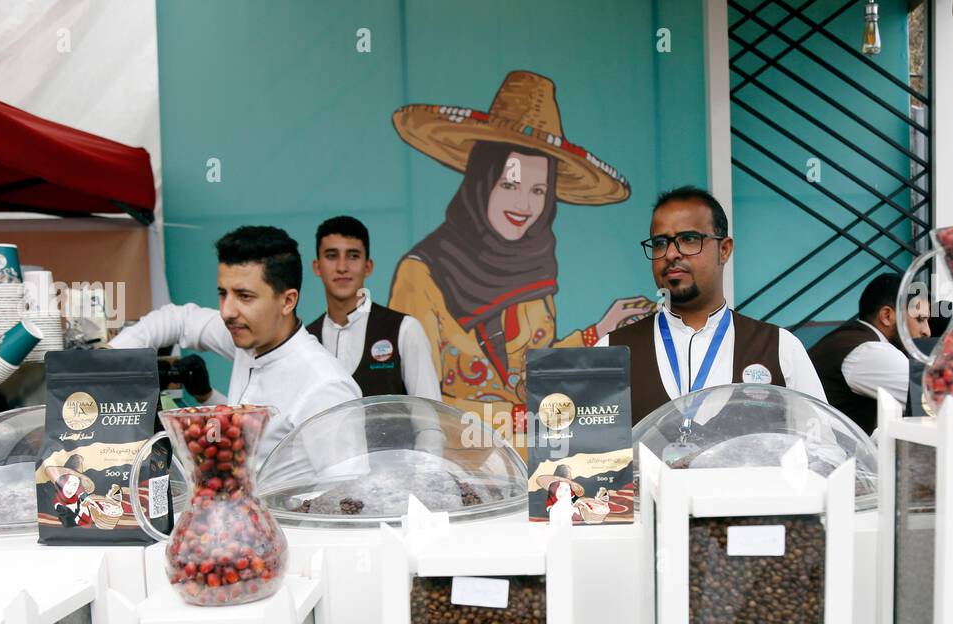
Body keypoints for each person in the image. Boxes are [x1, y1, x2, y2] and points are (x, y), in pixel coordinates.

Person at [388, 70, 652, 449]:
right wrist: (514, 418)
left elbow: (530, 373)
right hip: (462, 481)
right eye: (509, 184)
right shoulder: (420, 274)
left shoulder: (534, 268)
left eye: (538, 190)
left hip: (540, 475)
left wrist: (599, 332)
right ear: (482, 182)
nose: (524, 205)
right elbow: (420, 402)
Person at [109, 226, 360, 461]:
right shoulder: (249, 339)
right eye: (223, 293)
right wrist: (106, 357)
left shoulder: (325, 386)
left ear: (287, 301)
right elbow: (179, 319)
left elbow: (347, 495)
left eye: (244, 296)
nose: (227, 311)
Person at [600, 185, 826, 422]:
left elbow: (822, 448)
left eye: (688, 239)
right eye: (660, 243)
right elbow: (587, 451)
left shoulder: (779, 348)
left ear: (725, 249)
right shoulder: (611, 352)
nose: (670, 254)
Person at [311, 216, 440, 400]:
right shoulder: (307, 340)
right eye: (331, 256)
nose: (342, 267)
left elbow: (430, 419)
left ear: (368, 267)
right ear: (317, 267)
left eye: (353, 256)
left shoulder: (404, 330)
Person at [807, 272, 932, 434]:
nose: (927, 331)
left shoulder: (852, 339)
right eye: (920, 319)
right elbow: (935, 399)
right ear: (887, 316)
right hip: (831, 455)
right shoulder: (869, 351)